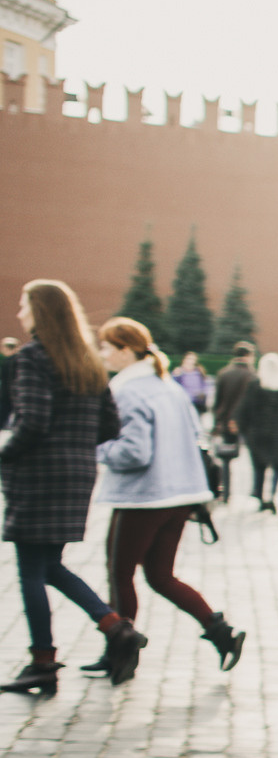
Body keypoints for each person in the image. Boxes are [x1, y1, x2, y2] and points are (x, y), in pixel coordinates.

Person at [0, 282, 145, 694]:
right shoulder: (86, 359)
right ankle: (115, 627)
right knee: (49, 566)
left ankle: (43, 664)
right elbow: (110, 425)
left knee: (31, 570)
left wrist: (4, 455)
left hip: (37, 476)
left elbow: (32, 422)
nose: (19, 313)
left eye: (24, 305)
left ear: (40, 312)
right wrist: (74, 445)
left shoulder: (33, 357)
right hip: (77, 475)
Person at [92, 318, 244, 671]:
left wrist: (98, 448)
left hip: (144, 496)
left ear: (125, 351)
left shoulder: (127, 390)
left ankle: (121, 649)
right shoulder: (169, 385)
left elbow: (134, 452)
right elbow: (196, 436)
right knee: (161, 575)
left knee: (120, 572)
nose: (101, 355)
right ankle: (221, 631)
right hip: (181, 496)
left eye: (105, 347)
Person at [238, 352, 278, 513]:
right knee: (277, 466)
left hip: (258, 434)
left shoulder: (255, 385)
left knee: (259, 467)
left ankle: (258, 495)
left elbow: (245, 410)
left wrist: (245, 430)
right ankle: (272, 495)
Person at [209, 346, 256, 503]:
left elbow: (217, 402)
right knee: (256, 457)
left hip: (227, 422)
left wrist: (217, 423)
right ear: (248, 356)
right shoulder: (252, 375)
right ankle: (256, 490)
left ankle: (226, 491)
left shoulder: (224, 373)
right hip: (248, 424)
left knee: (226, 458)